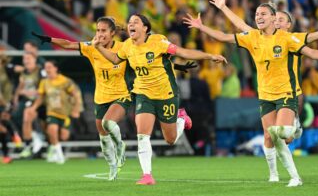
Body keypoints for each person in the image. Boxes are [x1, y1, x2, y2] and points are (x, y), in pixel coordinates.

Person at [183, 1, 318, 187]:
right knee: (270, 136)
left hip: (286, 92)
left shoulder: (287, 38)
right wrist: (204, 24)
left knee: (280, 134)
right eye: (257, 14)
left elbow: (317, 42)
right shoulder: (252, 37)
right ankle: (277, 175)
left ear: (273, 18)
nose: (258, 17)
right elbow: (224, 35)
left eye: (263, 14)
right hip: (265, 95)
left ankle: (295, 163)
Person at [32, 17, 195, 180]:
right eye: (97, 30)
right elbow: (68, 44)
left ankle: (120, 147)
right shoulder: (91, 47)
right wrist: (49, 39)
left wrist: (178, 66)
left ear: (112, 33)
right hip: (101, 97)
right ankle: (112, 167)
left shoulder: (123, 47)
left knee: (108, 122)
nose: (99, 34)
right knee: (103, 137)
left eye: (103, 31)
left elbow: (147, 62)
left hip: (123, 95)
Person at [94, 13, 226, 185]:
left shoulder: (158, 42)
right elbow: (115, 59)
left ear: (145, 28)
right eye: (129, 22)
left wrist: (209, 56)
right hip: (143, 93)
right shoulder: (127, 46)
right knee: (142, 134)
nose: (131, 25)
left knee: (170, 139)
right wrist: (98, 47)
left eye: (135, 22)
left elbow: (182, 52)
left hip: (166, 95)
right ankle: (147, 175)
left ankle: (181, 119)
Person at [24, 60, 81, 164]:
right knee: (52, 131)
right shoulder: (44, 82)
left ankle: (56, 151)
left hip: (65, 113)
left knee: (64, 136)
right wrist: (34, 107)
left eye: (49, 67)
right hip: (52, 112)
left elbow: (76, 94)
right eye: (46, 67)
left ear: (55, 68)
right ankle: (59, 156)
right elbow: (41, 97)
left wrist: (76, 109)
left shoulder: (65, 81)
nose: (47, 69)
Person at [13, 52, 46, 158]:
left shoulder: (41, 71)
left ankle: (39, 139)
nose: (26, 61)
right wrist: (16, 98)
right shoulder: (24, 72)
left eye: (28, 58)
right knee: (25, 118)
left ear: (34, 59)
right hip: (29, 101)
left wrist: (34, 94)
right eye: (24, 59)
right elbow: (21, 86)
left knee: (44, 125)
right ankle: (30, 144)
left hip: (43, 102)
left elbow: (45, 88)